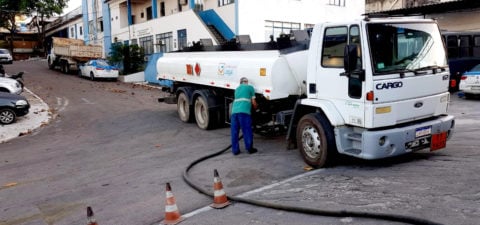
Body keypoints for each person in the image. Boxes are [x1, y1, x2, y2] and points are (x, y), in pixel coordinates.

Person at [231, 77, 258, 155]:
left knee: (234, 132)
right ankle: (249, 148)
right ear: (246, 82)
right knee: (246, 130)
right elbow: (253, 102)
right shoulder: (250, 87)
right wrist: (256, 107)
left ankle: (235, 151)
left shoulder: (236, 89)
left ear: (240, 83)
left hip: (234, 112)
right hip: (244, 112)